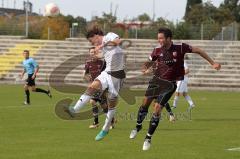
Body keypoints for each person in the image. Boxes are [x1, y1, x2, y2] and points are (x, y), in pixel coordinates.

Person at [129, 27, 221, 151]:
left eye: (161, 38)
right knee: (145, 104)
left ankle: (148, 138)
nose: (159, 41)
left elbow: (198, 50)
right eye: (158, 38)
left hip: (170, 84)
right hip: (156, 81)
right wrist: (144, 68)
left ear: (168, 38)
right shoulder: (157, 50)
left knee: (157, 108)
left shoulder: (180, 47)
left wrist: (212, 63)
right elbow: (148, 62)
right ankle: (138, 126)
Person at [65, 27, 125, 141]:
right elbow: (104, 56)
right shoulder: (101, 47)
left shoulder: (109, 35)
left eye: (91, 41)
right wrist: (95, 56)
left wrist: (101, 46)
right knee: (92, 86)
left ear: (96, 36)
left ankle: (105, 129)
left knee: (111, 104)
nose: (92, 43)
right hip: (107, 72)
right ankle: (74, 110)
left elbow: (118, 41)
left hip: (117, 75)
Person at [84, 47, 115, 129]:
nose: (92, 53)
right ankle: (109, 121)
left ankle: (98, 123)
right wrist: (87, 78)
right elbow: (86, 74)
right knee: (101, 104)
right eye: (91, 52)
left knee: (95, 102)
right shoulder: (88, 63)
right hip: (93, 86)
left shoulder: (102, 63)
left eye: (94, 52)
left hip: (102, 86)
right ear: (89, 53)